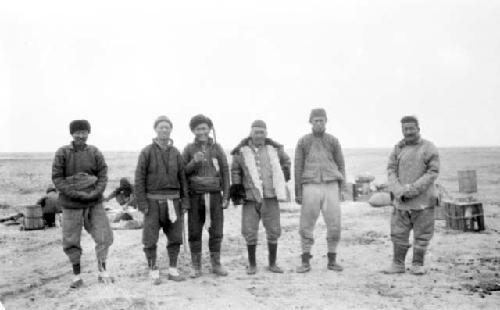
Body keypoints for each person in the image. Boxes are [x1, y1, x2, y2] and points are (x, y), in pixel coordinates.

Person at [52, 119, 113, 288]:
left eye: (84, 132)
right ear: (71, 134)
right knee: (71, 240)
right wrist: (76, 193)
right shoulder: (62, 153)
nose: (81, 135)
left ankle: (102, 271)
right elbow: (57, 178)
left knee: (104, 235)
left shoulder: (95, 152)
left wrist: (95, 192)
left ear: (88, 133)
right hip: (71, 204)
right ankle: (76, 276)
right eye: (77, 132)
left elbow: (103, 175)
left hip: (94, 202)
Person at [230, 120, 291, 275]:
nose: (259, 135)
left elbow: (286, 162)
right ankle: (252, 264)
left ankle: (272, 263)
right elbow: (235, 170)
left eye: (262, 132)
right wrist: (237, 188)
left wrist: (283, 177)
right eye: (256, 132)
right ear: (251, 133)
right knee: (249, 230)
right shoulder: (241, 151)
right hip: (250, 197)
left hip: (271, 196)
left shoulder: (275, 149)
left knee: (273, 229)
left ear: (266, 133)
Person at [135, 115, 190, 284]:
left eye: (167, 127)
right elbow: (139, 178)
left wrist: (185, 201)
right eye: (161, 127)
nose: (164, 130)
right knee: (150, 238)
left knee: (175, 237)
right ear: (155, 129)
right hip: (152, 202)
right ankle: (152, 269)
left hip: (173, 201)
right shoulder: (146, 152)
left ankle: (173, 269)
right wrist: (142, 202)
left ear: (171, 130)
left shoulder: (176, 153)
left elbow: (183, 178)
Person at [383, 116, 440, 275]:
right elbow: (391, 170)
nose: (408, 132)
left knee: (422, 234)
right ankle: (397, 264)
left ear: (418, 129)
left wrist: (413, 189)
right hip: (401, 201)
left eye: (411, 128)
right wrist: (398, 190)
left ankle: (417, 264)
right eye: (405, 129)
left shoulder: (429, 148)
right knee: (398, 232)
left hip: (423, 201)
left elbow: (433, 172)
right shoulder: (397, 149)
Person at [294, 108, 346, 273]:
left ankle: (332, 259)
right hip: (310, 185)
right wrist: (298, 191)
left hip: (331, 185)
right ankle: (305, 260)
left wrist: (342, 189)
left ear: (326, 122)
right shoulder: (303, 141)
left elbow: (341, 164)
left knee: (335, 224)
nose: (319, 123)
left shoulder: (333, 141)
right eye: (316, 120)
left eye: (322, 120)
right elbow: (298, 167)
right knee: (306, 225)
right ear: (311, 122)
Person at [182, 114, 230, 278]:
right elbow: (182, 173)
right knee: (194, 232)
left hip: (215, 195)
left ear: (209, 129)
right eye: (198, 129)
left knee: (216, 231)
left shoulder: (217, 148)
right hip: (195, 197)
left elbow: (225, 171)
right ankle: (196, 267)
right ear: (193, 131)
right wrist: (193, 161)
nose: (201, 131)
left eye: (204, 128)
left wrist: (226, 196)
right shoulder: (189, 149)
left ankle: (216, 264)